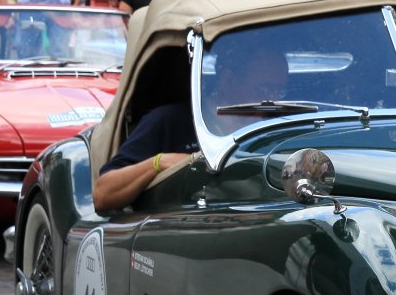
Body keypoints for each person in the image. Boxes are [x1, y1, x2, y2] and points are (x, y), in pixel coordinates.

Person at [94, 41, 287, 212]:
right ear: (228, 79)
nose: (274, 99)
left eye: (280, 90)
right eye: (264, 88)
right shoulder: (170, 121)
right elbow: (103, 195)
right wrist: (158, 163)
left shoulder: (280, 124)